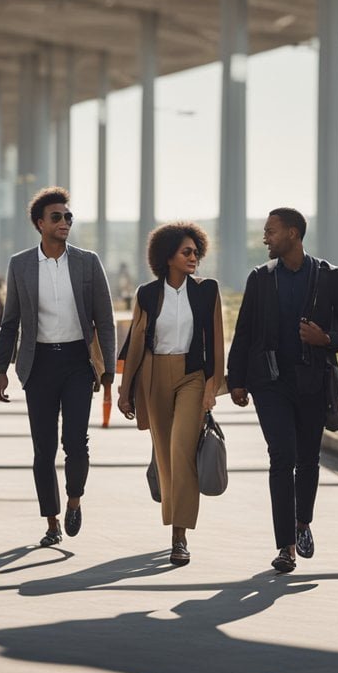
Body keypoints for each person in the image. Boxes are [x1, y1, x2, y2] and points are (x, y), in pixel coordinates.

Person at [227, 208, 338, 573]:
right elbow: (244, 333)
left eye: (270, 232)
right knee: (281, 457)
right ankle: (285, 546)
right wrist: (236, 380)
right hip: (269, 384)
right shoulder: (260, 279)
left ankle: (302, 523)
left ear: (292, 233)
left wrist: (327, 339)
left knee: (307, 460)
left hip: (313, 382)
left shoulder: (332, 278)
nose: (265, 238)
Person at [0, 186, 116, 547]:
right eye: (57, 217)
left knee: (76, 441)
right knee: (43, 448)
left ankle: (74, 500)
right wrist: (2, 368)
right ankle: (51, 522)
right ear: (39, 224)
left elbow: (105, 319)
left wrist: (107, 370)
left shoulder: (87, 262)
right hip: (40, 364)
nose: (65, 222)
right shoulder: (20, 264)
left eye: (68, 217)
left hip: (78, 362)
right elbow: (10, 320)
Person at [117, 222, 224, 566]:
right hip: (155, 375)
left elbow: (217, 341)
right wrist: (124, 390)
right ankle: (172, 518)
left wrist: (212, 386)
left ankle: (180, 535)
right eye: (187, 252)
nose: (194, 258)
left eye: (196, 252)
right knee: (164, 455)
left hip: (192, 376)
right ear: (168, 257)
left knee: (181, 452)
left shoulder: (207, 290)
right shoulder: (147, 294)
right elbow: (135, 343)